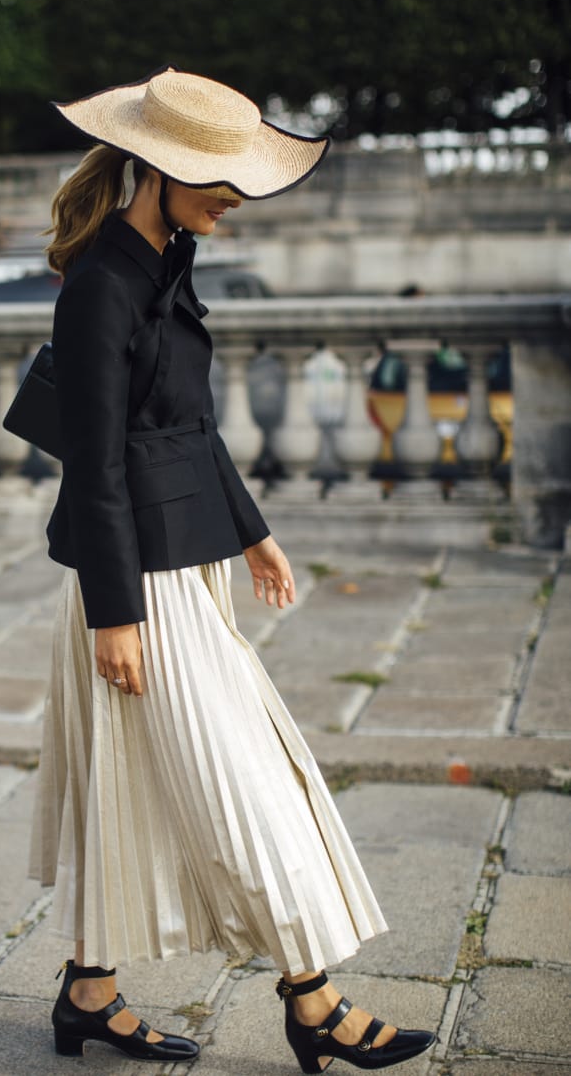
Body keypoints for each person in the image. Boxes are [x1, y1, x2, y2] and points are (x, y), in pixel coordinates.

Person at [28, 68, 436, 1072]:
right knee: (246, 785)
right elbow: (96, 464)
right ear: (158, 169)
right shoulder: (102, 288)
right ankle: (314, 1003)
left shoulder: (164, 263)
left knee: (129, 783)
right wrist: (114, 616)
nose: (236, 199)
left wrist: (252, 531)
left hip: (184, 565)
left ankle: (87, 991)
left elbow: (188, 427)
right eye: (220, 181)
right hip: (135, 582)